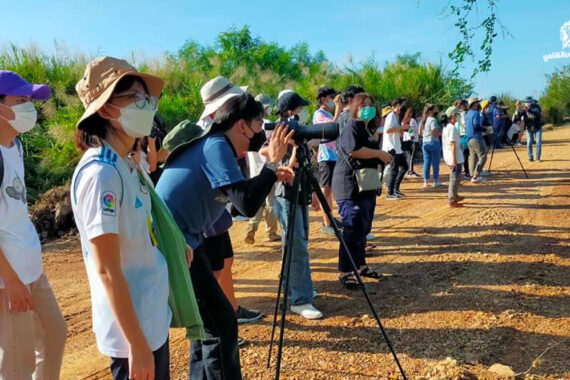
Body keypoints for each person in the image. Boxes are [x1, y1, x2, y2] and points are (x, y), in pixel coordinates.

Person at [156, 93, 293, 379]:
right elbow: (245, 203)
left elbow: (235, 197)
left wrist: (271, 175)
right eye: (259, 124)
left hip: (187, 241)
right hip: (176, 244)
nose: (261, 132)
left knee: (205, 325)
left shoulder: (218, 145)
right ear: (241, 126)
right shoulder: (216, 146)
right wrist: (271, 165)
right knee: (222, 323)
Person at [71, 57, 172, 379]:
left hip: (149, 317)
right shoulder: (101, 173)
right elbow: (107, 270)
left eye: (148, 98)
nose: (147, 106)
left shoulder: (126, 165)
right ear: (105, 110)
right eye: (135, 99)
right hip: (133, 333)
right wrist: (136, 346)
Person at [0, 70, 67, 379]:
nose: (30, 107)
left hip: (32, 270)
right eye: (21, 100)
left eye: (30, 100)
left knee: (55, 335)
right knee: (18, 362)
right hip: (7, 279)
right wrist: (11, 281)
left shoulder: (16, 146)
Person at [333, 93, 392, 288]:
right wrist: (379, 153)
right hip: (349, 185)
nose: (368, 108)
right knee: (351, 228)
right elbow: (353, 150)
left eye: (371, 104)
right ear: (355, 107)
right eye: (364, 104)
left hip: (365, 185)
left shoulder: (366, 128)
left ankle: (360, 266)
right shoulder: (352, 125)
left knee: (363, 228)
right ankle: (345, 271)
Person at [272, 91, 323, 319]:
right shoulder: (280, 132)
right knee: (296, 246)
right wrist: (293, 147)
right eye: (300, 109)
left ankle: (293, 288)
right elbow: (285, 169)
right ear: (290, 111)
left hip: (300, 192)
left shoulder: (294, 132)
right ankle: (300, 299)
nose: (302, 114)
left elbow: (306, 164)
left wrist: (312, 193)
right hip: (287, 194)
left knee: (298, 242)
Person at [244, 93, 280, 244]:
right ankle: (270, 233)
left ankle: (250, 230)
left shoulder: (248, 123)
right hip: (267, 166)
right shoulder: (268, 124)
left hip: (253, 168)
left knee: (257, 201)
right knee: (271, 202)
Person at [313, 86, 342, 235]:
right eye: (332, 98)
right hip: (326, 157)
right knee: (326, 190)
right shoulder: (318, 114)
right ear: (324, 99)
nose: (334, 101)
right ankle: (326, 222)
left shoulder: (327, 113)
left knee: (330, 190)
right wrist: (338, 108)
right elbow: (331, 127)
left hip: (333, 156)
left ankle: (330, 218)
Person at [382, 98, 409, 199]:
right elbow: (388, 130)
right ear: (397, 105)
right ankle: (390, 192)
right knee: (394, 170)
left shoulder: (395, 117)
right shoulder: (391, 115)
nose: (402, 107)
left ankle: (395, 189)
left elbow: (395, 131)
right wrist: (401, 128)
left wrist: (402, 129)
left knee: (404, 167)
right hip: (392, 147)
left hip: (397, 147)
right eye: (401, 105)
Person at [442, 107, 466, 208]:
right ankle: (452, 200)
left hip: (453, 156)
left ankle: (455, 196)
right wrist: (454, 160)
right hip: (454, 157)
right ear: (452, 116)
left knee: (456, 178)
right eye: (456, 115)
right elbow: (452, 144)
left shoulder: (448, 127)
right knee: (454, 178)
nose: (458, 117)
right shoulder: (451, 128)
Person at [465, 97, 488, 183]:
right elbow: (476, 126)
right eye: (477, 102)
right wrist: (485, 129)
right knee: (483, 157)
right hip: (476, 138)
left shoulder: (467, 114)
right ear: (474, 104)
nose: (478, 104)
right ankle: (475, 176)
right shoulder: (476, 113)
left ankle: (472, 175)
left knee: (473, 157)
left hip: (469, 138)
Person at [419, 103, 442, 188]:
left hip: (425, 142)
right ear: (431, 111)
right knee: (435, 162)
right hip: (433, 142)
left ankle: (426, 182)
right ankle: (436, 181)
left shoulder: (423, 120)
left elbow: (419, 132)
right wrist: (440, 134)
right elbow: (434, 132)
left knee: (426, 162)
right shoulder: (432, 120)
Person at [521, 96, 543, 162]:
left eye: (529, 102)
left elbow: (537, 113)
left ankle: (538, 157)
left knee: (538, 142)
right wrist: (518, 109)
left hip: (538, 127)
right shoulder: (524, 108)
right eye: (526, 102)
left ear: (531, 102)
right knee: (529, 143)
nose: (527, 103)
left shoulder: (536, 106)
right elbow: (518, 115)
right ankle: (530, 157)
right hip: (529, 128)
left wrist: (528, 110)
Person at [401, 107, 420, 178]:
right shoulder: (412, 120)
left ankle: (409, 170)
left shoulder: (403, 121)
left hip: (405, 140)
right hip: (413, 140)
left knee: (408, 156)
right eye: (411, 112)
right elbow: (411, 129)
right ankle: (410, 171)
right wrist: (411, 135)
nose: (411, 114)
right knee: (411, 156)